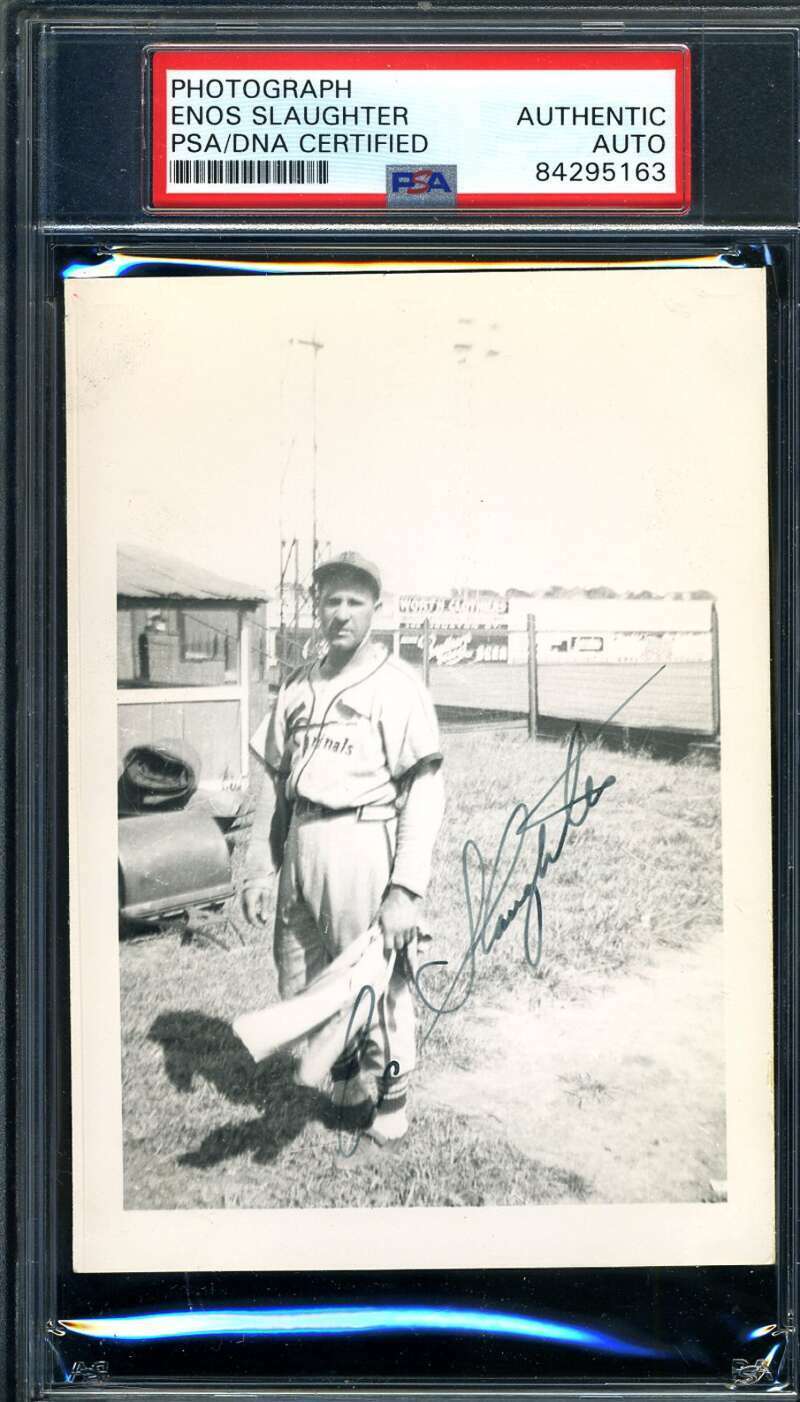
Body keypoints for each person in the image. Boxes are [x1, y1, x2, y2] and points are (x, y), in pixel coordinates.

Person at [243, 551, 444, 1153]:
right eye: (331, 599)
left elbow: (424, 792)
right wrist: (259, 862)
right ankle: (347, 1076)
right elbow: (274, 783)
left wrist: (405, 889)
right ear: (316, 606)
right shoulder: (299, 684)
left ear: (375, 610)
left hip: (363, 836)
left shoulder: (398, 684)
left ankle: (391, 1097)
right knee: (302, 975)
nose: (342, 613)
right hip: (301, 838)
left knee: (373, 979)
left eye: (355, 601)